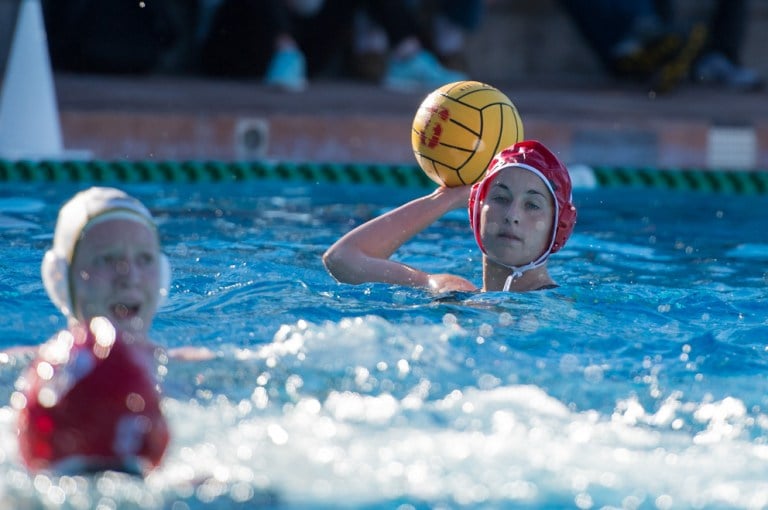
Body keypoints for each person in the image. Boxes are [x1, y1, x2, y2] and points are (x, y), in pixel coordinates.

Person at [12, 187, 173, 475]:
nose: (130, 276)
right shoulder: (22, 374)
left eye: (145, 259)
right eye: (107, 259)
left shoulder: (193, 370)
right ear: (61, 279)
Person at [323, 140, 577, 293]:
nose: (512, 216)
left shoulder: (563, 312)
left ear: (559, 226)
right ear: (476, 210)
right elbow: (342, 258)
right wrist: (445, 199)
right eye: (500, 198)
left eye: (532, 205)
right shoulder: (452, 291)